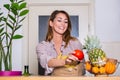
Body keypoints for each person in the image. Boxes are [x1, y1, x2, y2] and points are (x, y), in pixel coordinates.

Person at [36, 10, 85, 76]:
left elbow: (82, 67)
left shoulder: (75, 43)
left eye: (66, 22)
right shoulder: (42, 46)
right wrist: (65, 61)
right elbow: (45, 62)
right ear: (51, 23)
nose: (63, 24)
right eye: (59, 20)